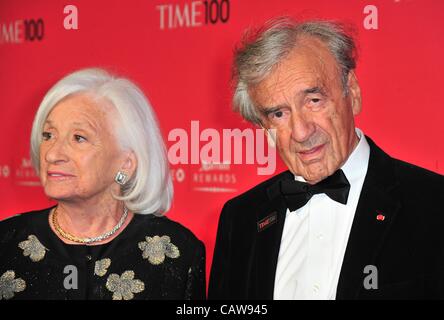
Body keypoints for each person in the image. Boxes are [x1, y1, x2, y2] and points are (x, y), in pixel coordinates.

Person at [209, 17, 444, 300]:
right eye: (278, 114)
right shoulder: (242, 218)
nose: (301, 131)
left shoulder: (434, 205)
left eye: (314, 100)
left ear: (352, 92)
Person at [0, 68, 205, 300]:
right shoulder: (6, 242)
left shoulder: (177, 252)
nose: (52, 154)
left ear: (126, 163)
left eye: (79, 137)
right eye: (48, 135)